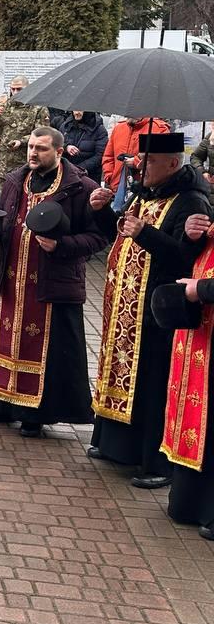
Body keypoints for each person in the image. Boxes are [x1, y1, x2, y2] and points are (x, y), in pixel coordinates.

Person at [87, 132, 210, 488]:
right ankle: (115, 445)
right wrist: (100, 213)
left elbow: (185, 258)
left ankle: (155, 463)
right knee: (122, 372)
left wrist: (144, 233)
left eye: (150, 162)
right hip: (125, 306)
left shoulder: (191, 201)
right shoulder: (144, 193)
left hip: (157, 310)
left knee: (153, 383)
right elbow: (115, 237)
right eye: (141, 160)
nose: (141, 168)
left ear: (173, 164)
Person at [0, 127, 107, 436]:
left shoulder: (80, 187)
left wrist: (62, 246)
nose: (33, 153)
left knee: (46, 349)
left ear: (59, 152)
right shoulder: (16, 181)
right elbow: (5, 223)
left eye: (41, 148)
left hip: (53, 284)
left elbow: (99, 237)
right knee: (5, 340)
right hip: (13, 280)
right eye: (31, 147)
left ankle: (36, 415)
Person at [160, 215, 214, 539]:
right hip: (200, 338)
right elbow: (183, 257)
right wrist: (192, 239)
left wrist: (201, 289)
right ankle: (191, 502)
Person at [0, 77, 51, 186]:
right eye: (13, 89)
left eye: (19, 89)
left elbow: (41, 134)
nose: (15, 92)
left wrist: (21, 141)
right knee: (4, 199)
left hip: (25, 163)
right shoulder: (5, 105)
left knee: (22, 198)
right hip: (3, 164)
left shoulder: (38, 108)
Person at [102, 115, 171, 193]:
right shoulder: (118, 128)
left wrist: (136, 162)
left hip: (144, 191)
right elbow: (108, 156)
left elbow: (162, 162)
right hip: (117, 189)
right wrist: (109, 177)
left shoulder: (159, 129)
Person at [61, 111, 108, 185]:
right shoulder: (66, 126)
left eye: (80, 110)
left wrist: (79, 169)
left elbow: (100, 155)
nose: (76, 113)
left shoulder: (99, 130)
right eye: (75, 109)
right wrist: (66, 147)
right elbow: (56, 145)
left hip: (89, 176)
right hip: (67, 174)